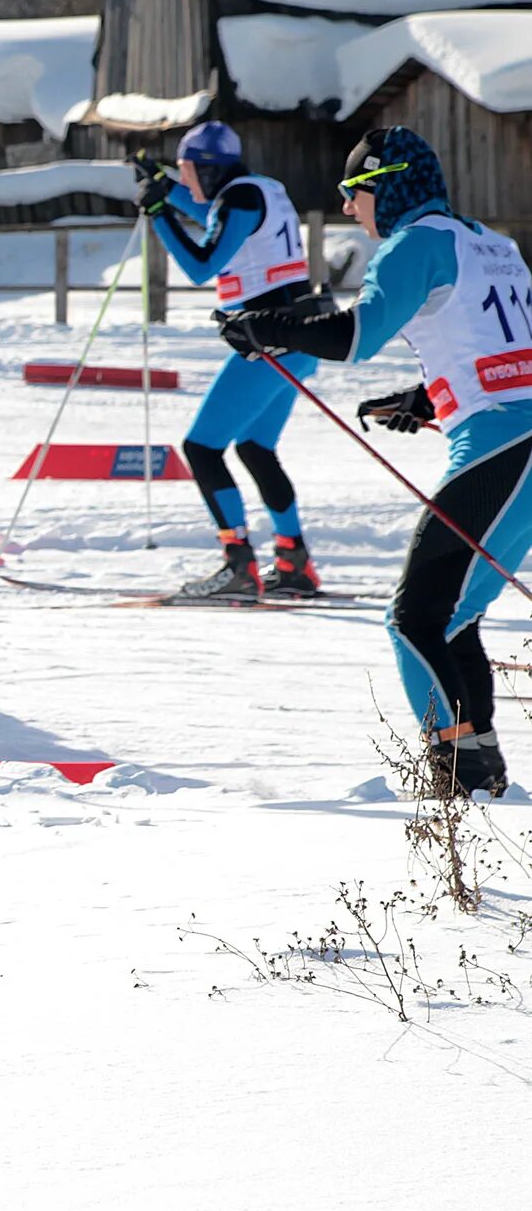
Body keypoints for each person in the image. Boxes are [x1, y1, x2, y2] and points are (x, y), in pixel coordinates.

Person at [223, 126, 532, 799]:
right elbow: (498, 346)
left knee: (411, 617)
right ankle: (481, 775)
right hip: (516, 443)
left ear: (386, 187)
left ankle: (453, 779)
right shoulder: (493, 244)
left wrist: (261, 327)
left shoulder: (412, 244)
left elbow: (352, 337)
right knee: (453, 619)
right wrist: (426, 399)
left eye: (354, 193)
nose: (347, 210)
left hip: (499, 446)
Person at [136, 121, 325, 599]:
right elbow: (205, 207)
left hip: (269, 344)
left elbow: (203, 265)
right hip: (299, 338)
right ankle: (294, 560)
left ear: (205, 168)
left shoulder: (238, 200)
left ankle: (238, 562)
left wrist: (159, 214)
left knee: (202, 448)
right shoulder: (257, 191)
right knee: (255, 447)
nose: (186, 182)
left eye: (186, 171)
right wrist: (164, 185)